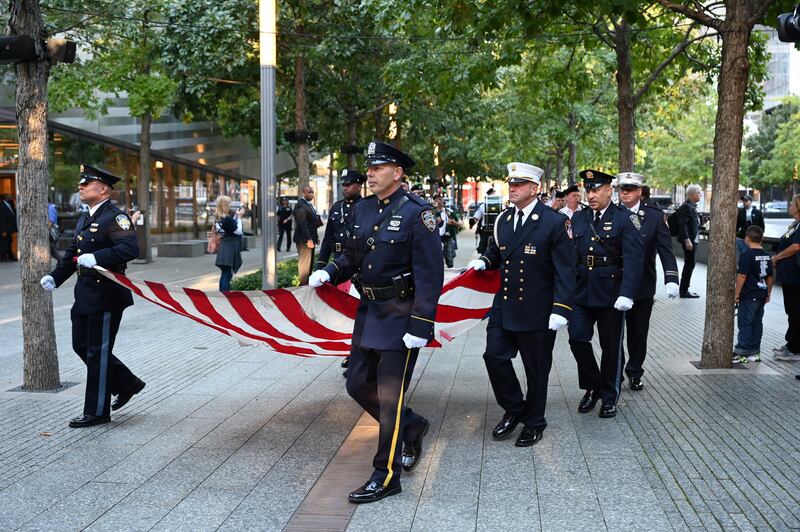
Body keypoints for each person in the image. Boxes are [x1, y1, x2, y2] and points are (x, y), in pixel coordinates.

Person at [308, 141, 443, 504]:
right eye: (369, 166)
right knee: (355, 384)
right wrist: (330, 271)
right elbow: (350, 255)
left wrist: (421, 324)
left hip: (401, 315)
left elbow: (431, 275)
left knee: (389, 399)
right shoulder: (362, 209)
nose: (369, 172)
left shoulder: (419, 213)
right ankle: (412, 426)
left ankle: (386, 475)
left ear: (398, 173)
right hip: (368, 312)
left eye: (378, 167)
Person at [467, 162, 575, 446]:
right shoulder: (503, 219)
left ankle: (534, 421)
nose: (512, 188)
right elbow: (497, 249)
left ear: (534, 189)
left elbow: (566, 269)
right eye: (510, 184)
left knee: (536, 371)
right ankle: (515, 409)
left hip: (538, 309)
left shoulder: (553, 221)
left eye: (518, 185)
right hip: (505, 305)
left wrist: (561, 309)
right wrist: (485, 260)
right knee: (494, 357)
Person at [39, 164, 144, 428]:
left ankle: (97, 411)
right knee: (81, 346)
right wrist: (56, 276)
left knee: (97, 352)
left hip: (107, 294)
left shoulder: (115, 217)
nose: (81, 186)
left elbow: (130, 249)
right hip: (85, 294)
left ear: (103, 189)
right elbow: (74, 253)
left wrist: (97, 257)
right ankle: (127, 382)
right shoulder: (86, 218)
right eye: (81, 183)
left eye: (87, 183)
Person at [568, 169, 644, 418]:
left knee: (611, 347)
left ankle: (609, 395)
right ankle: (593, 386)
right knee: (577, 338)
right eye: (588, 189)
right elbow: (569, 256)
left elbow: (634, 259)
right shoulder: (578, 219)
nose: (590, 194)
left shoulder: (624, 219)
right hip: (582, 291)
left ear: (609, 190)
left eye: (596, 189)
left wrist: (627, 293)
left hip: (612, 293)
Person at [616, 172, 680, 390]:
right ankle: (615, 373)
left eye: (630, 189)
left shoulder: (654, 216)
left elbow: (665, 248)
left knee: (638, 332)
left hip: (643, 285)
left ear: (640, 192)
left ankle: (634, 371)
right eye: (622, 189)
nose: (625, 193)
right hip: (615, 284)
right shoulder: (611, 214)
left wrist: (671, 277)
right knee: (614, 334)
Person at [733, 226, 772, 364]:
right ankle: (755, 352)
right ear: (761, 239)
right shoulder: (767, 255)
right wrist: (768, 292)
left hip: (749, 295)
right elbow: (770, 277)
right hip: (761, 294)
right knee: (757, 323)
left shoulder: (746, 255)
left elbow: (742, 275)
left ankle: (742, 351)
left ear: (747, 239)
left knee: (745, 323)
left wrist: (736, 293)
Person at [315, 169, 365, 270]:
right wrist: (320, 265)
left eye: (348, 185)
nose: (344, 188)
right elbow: (328, 239)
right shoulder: (337, 207)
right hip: (337, 259)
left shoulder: (366, 207)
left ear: (359, 186)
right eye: (343, 185)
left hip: (357, 262)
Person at [772, 194, 800, 362]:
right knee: (791, 310)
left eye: (792, 204)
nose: (789, 206)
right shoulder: (795, 225)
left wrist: (777, 258)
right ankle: (791, 343)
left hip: (796, 277)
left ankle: (795, 348)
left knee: (796, 311)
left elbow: (796, 246)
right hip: (789, 276)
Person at [676, 184, 702, 298]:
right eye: (699, 192)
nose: (700, 194)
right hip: (689, 241)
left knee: (690, 264)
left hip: (693, 240)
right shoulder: (686, 206)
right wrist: (687, 240)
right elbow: (682, 225)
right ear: (693, 194)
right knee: (689, 264)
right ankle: (684, 290)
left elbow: (692, 223)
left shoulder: (692, 206)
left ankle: (684, 289)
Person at [214, 195, 243, 291]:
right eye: (229, 203)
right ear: (225, 205)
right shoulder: (227, 219)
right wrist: (239, 218)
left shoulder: (218, 218)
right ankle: (225, 297)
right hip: (229, 249)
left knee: (224, 273)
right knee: (227, 275)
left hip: (223, 247)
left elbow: (228, 228)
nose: (231, 205)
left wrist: (235, 216)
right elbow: (238, 231)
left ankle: (221, 295)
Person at [293, 185, 321, 285]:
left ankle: (307, 286)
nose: (311, 194)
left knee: (309, 265)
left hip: (311, 239)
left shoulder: (309, 205)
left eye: (312, 192)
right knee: (305, 266)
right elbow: (302, 224)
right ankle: (303, 287)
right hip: (304, 240)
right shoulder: (301, 205)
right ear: (303, 193)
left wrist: (316, 237)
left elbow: (313, 223)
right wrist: (308, 239)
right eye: (309, 192)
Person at [470, 187, 496, 254]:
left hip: (485, 230)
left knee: (483, 250)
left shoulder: (483, 206)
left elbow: (476, 218)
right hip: (496, 230)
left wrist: (471, 224)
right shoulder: (501, 205)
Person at [0, 194, 17, 261]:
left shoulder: (8, 204)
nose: (10, 198)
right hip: (5, 229)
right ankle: (3, 257)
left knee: (9, 242)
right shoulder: (2, 206)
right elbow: (2, 219)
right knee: (4, 243)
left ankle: (10, 256)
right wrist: (3, 230)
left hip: (9, 229)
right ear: (5, 198)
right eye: (9, 197)